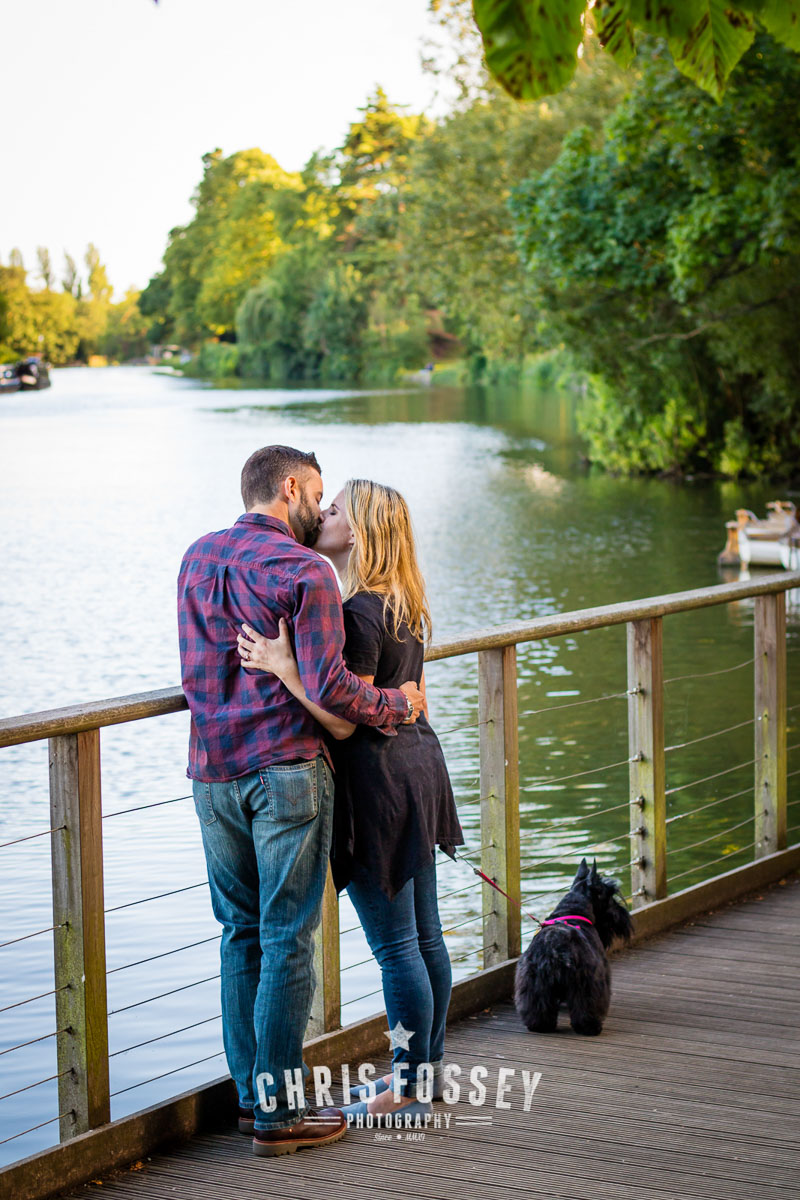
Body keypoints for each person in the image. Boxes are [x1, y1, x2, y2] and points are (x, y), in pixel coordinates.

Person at [177, 446, 425, 1157]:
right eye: (317, 492)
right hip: (286, 771)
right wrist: (397, 704)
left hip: (211, 773)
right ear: (290, 489)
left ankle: (255, 1100)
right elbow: (334, 690)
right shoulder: (305, 569)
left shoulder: (197, 556)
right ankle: (282, 1116)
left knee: (238, 933)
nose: (322, 507)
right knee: (287, 938)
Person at [237, 478, 464, 1121]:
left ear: (357, 532)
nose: (323, 513)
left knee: (398, 947)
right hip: (420, 765)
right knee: (426, 938)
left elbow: (343, 722)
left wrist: (282, 668)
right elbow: (401, 697)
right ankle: (427, 1075)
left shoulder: (359, 611)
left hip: (381, 783)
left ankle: (408, 1086)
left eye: (334, 508)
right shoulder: (401, 603)